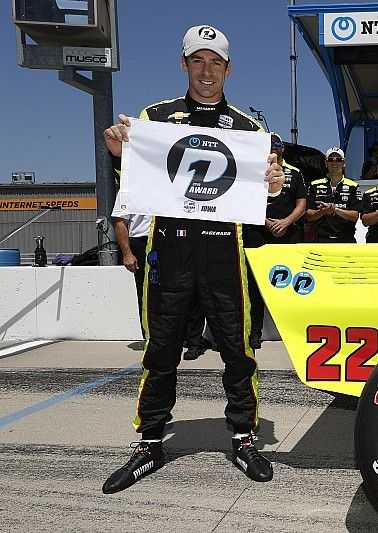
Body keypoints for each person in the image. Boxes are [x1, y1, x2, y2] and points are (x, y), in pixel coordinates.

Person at [101, 25, 281, 494]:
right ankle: (150, 442)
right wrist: (120, 153)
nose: (207, 71)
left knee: (238, 350)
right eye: (197, 61)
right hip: (170, 249)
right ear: (184, 64)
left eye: (215, 62)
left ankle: (243, 438)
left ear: (228, 68)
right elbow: (135, 176)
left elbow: (266, 192)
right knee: (160, 351)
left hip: (226, 251)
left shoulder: (249, 129)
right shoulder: (155, 118)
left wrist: (274, 183)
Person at [111, 197, 207, 361]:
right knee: (147, 293)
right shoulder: (129, 185)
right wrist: (127, 253)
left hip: (176, 239)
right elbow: (120, 221)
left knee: (190, 289)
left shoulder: (171, 176)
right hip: (143, 240)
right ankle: (152, 339)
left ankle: (193, 341)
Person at [243, 133, 307, 349]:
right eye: (269, 145)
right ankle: (254, 333)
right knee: (254, 287)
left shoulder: (295, 174)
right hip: (257, 234)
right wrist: (266, 222)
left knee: (289, 286)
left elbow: (301, 205)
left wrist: (286, 222)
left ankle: (291, 333)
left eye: (277, 145)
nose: (273, 148)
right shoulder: (253, 173)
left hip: (287, 236)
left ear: (282, 149)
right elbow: (246, 202)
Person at [306, 147, 361, 243]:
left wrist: (335, 209)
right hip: (322, 240)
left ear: (344, 163)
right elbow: (309, 215)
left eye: (338, 159)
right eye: (331, 159)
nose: (334, 162)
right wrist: (322, 212)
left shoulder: (354, 186)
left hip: (347, 240)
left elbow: (355, 216)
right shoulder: (314, 185)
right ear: (326, 163)